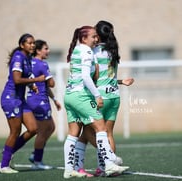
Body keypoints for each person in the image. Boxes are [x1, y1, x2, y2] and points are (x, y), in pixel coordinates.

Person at [63, 25, 129, 179]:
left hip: (70, 94)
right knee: (101, 130)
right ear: (84, 38)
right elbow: (87, 77)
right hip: (88, 96)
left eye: (96, 35)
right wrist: (97, 95)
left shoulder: (77, 50)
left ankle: (72, 169)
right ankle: (110, 162)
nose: (96, 39)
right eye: (93, 36)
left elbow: (89, 75)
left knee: (76, 134)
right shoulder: (93, 51)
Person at [0, 33, 46, 174]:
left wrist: (32, 86)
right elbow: (17, 80)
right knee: (15, 131)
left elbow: (26, 77)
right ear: (22, 45)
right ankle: (3, 165)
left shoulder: (27, 58)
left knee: (33, 128)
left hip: (20, 99)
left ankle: (9, 150)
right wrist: (36, 80)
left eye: (33, 43)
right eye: (29, 43)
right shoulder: (18, 57)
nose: (32, 45)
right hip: (11, 98)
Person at [25, 39, 61, 170]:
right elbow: (51, 83)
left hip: (35, 99)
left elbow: (44, 85)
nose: (48, 51)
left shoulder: (30, 63)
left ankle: (36, 154)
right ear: (38, 51)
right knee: (42, 131)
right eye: (46, 49)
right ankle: (37, 161)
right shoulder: (42, 64)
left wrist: (54, 99)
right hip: (39, 100)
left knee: (51, 127)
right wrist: (50, 76)